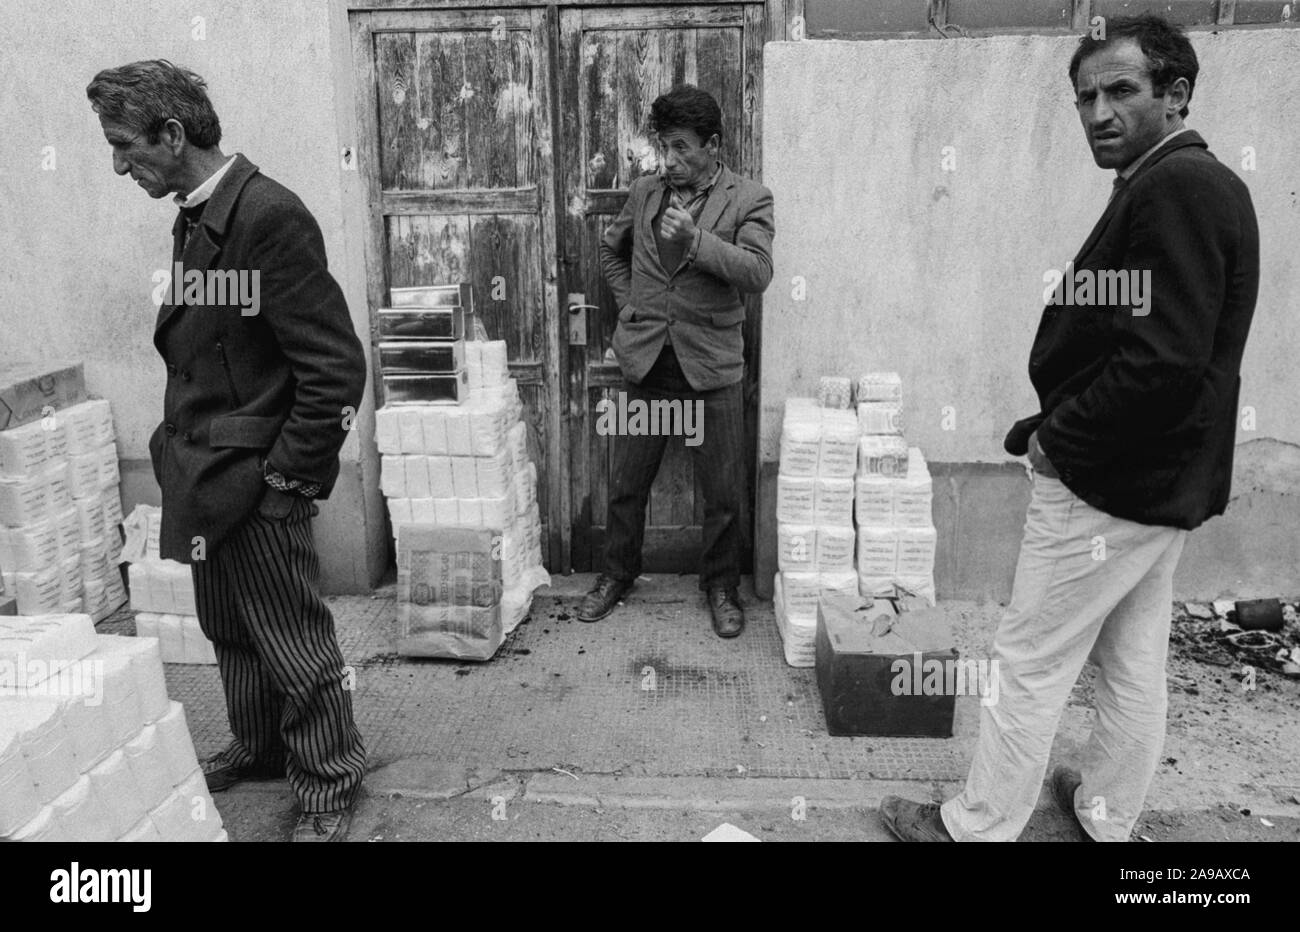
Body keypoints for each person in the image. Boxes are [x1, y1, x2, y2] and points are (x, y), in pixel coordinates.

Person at [881, 14, 1260, 841]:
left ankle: (973, 826)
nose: (1097, 113)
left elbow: (1162, 362)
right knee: (1130, 660)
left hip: (1110, 481)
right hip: (1160, 484)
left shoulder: (1179, 190)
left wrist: (1061, 444)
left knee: (1030, 659)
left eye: (1121, 91)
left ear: (1177, 93)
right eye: (1085, 96)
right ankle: (1105, 812)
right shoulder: (1186, 185)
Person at [88, 60, 369, 842]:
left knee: (295, 642)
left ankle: (328, 776)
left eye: (123, 146)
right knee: (231, 630)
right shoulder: (196, 211)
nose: (117, 165)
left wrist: (290, 478)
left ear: (173, 135)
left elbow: (337, 368)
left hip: (256, 478)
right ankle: (262, 748)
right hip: (207, 472)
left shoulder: (268, 215)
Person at [580, 85, 774, 638]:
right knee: (626, 482)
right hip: (648, 364)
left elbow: (758, 272)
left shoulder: (750, 198)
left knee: (723, 492)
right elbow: (609, 251)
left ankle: (720, 587)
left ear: (713, 146)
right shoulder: (645, 192)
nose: (670, 160)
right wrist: (631, 303)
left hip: (711, 367)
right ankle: (616, 575)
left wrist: (696, 244)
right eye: (664, 147)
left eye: (683, 148)